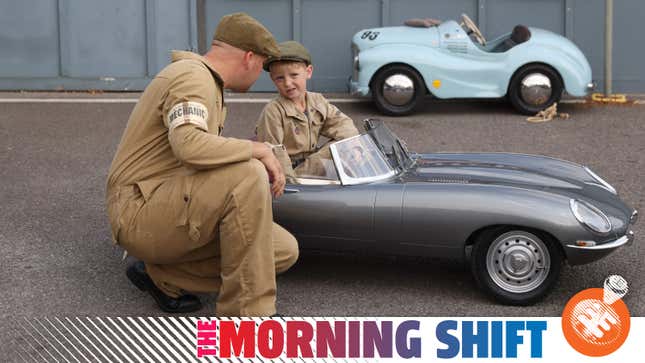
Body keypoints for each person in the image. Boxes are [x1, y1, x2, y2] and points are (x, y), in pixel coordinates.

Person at [105, 12, 298, 317]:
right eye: (262, 66)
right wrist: (258, 149)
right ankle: (248, 317)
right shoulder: (192, 78)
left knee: (282, 249)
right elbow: (189, 145)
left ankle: (160, 275)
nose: (260, 73)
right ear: (249, 57)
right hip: (139, 211)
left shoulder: (206, 80)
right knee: (247, 174)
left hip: (168, 199)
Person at [256, 41, 359, 178]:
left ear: (308, 72)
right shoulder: (273, 111)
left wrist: (355, 148)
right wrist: (290, 185)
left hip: (313, 165)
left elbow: (343, 124)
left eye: (294, 75)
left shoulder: (317, 101)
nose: (287, 83)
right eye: (280, 78)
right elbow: (275, 152)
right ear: (273, 79)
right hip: (291, 171)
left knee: (345, 145)